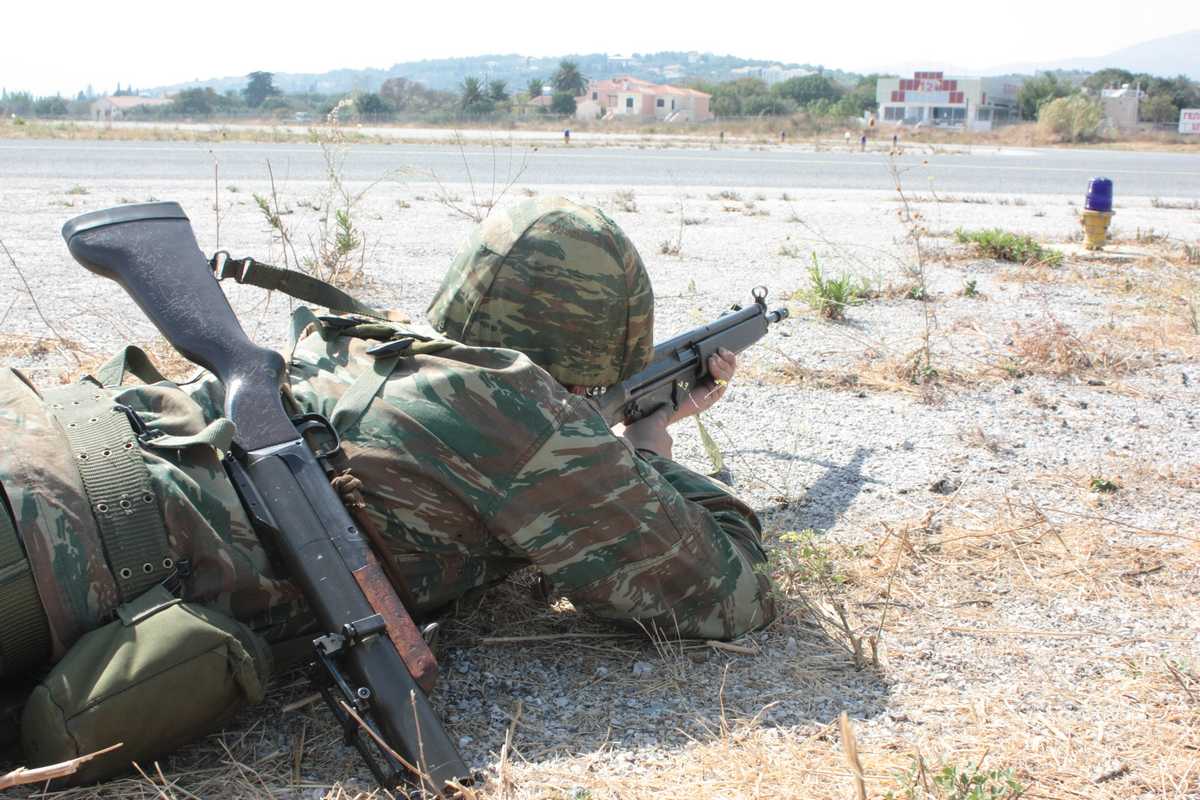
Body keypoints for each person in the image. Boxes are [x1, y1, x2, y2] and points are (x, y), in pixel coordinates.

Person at [0, 196, 776, 780]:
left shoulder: (359, 338)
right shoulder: (520, 417)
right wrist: (648, 447)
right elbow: (731, 592)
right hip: (48, 560)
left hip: (39, 440)